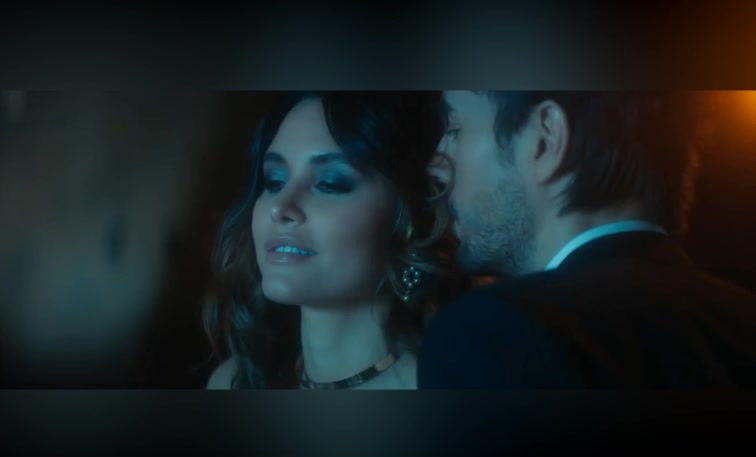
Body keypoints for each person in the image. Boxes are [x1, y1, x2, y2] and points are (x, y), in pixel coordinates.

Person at [419, 91, 756, 388]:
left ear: (545, 139)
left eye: (455, 130)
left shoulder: (491, 335)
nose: (436, 165)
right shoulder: (741, 318)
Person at [204, 92, 465, 389]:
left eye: (331, 183)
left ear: (413, 218)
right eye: (275, 181)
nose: (281, 207)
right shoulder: (230, 382)